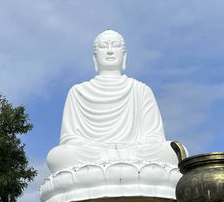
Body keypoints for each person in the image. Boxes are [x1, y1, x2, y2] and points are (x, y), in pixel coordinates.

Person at [45, 29, 178, 173]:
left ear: (124, 55)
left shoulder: (141, 90)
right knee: (58, 156)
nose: (109, 51)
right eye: (103, 46)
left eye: (115, 46)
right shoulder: (77, 92)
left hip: (135, 153)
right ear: (95, 57)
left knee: (172, 150)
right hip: (92, 154)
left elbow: (154, 136)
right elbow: (69, 139)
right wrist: (97, 150)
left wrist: (132, 150)